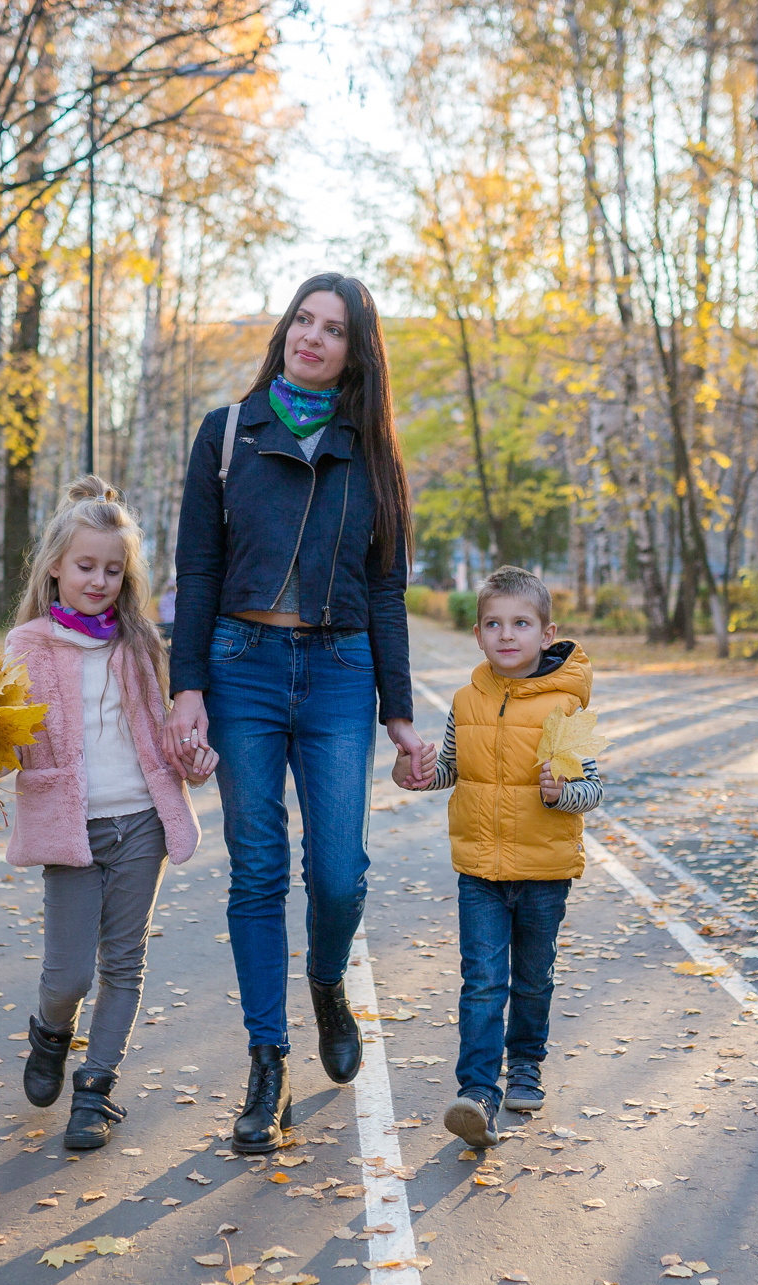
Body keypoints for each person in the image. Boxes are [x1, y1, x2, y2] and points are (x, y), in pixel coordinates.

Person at [168, 273, 435, 1154]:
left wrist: (398, 711)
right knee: (256, 873)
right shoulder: (227, 435)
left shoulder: (374, 454)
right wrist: (188, 687)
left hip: (338, 672)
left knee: (340, 876)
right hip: (240, 667)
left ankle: (327, 981)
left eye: (332, 330)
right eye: (302, 321)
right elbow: (197, 572)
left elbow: (387, 587)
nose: (310, 338)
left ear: (357, 354)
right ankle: (267, 1060)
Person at [4, 476, 217, 1151]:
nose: (98, 580)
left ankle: (95, 1090)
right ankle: (50, 1031)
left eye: (112, 569)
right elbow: (3, 733)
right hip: (72, 827)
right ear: (57, 566)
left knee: (123, 963)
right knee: (69, 973)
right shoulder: (29, 645)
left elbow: (162, 736)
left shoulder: (139, 641)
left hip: (141, 824)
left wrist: (193, 759)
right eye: (86, 566)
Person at [392, 565, 603, 1148]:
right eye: (494, 624)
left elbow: (594, 788)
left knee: (533, 979)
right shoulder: (468, 699)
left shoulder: (566, 707)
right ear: (478, 635)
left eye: (520, 623)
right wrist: (419, 774)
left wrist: (564, 794)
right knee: (483, 980)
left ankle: (527, 1066)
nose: (507, 635)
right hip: (480, 868)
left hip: (545, 871)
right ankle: (478, 1092)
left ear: (546, 632)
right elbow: (456, 769)